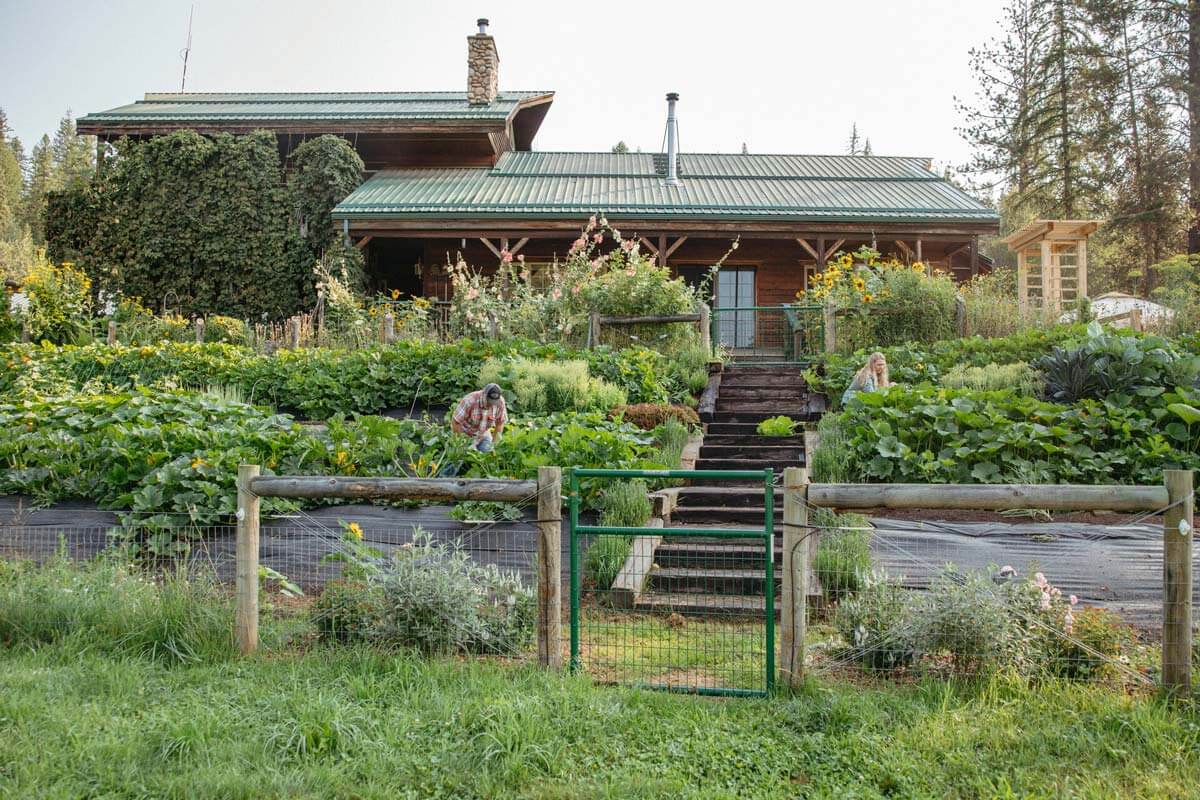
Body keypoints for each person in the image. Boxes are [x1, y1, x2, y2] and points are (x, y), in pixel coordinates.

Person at [451, 383, 508, 452]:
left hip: (483, 435)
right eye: (490, 402)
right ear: (484, 394)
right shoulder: (470, 400)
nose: (492, 404)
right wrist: (462, 443)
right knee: (462, 459)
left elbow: (500, 422)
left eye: (494, 402)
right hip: (466, 435)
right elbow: (456, 421)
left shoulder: (500, 402)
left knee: (488, 456)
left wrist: (494, 444)